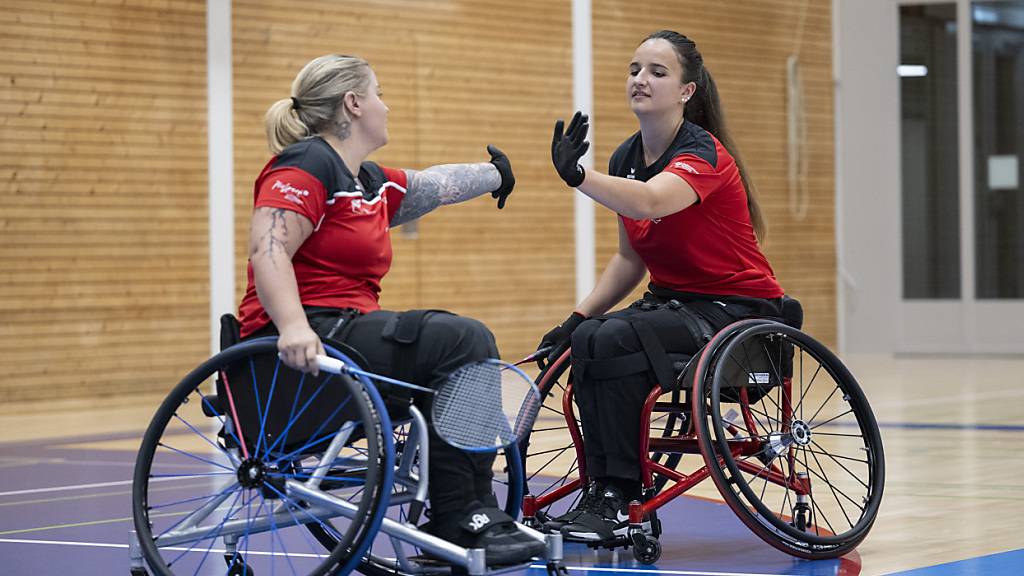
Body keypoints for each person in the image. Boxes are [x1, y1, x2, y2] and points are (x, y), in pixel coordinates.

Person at [237, 54, 543, 564]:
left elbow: (433, 186)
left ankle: (472, 509)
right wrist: (291, 326)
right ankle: (457, 514)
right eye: (377, 93)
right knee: (459, 339)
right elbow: (268, 249)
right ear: (353, 104)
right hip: (297, 346)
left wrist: (496, 175)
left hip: (346, 333)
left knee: (458, 348)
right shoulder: (305, 163)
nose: (387, 104)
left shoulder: (366, 182)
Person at [538, 31, 787, 543]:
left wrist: (579, 177)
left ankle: (622, 492)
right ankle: (604, 489)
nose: (640, 80)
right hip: (675, 305)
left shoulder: (703, 153)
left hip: (737, 309)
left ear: (687, 91)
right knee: (590, 339)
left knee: (614, 341)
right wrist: (578, 316)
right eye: (634, 69)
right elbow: (630, 258)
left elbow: (650, 202)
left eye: (657, 71)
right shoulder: (627, 156)